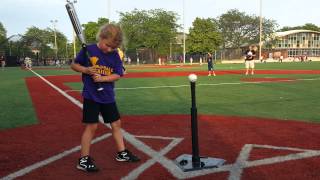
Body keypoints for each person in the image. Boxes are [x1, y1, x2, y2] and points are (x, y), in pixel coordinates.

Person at [71, 23, 140, 173]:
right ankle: (83, 159)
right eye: (107, 45)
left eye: (112, 47)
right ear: (101, 37)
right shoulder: (88, 49)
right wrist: (86, 70)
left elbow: (118, 74)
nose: (109, 49)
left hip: (107, 95)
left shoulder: (114, 55)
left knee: (116, 124)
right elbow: (74, 65)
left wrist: (103, 79)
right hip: (91, 95)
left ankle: (121, 153)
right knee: (92, 126)